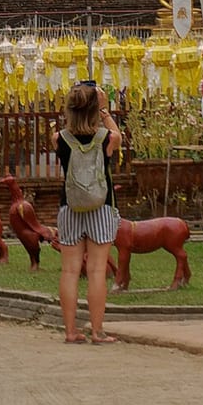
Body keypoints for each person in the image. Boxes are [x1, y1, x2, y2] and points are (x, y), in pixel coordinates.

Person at [55, 79, 122, 345]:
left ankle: (70, 331)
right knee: (96, 271)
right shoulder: (108, 137)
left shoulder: (59, 138)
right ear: (96, 108)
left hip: (69, 206)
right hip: (101, 206)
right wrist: (105, 111)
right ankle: (97, 331)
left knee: (70, 271)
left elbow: (68, 133)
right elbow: (118, 135)